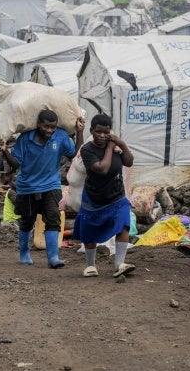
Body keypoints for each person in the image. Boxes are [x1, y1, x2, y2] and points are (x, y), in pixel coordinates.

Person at [2, 110, 85, 268]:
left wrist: (80, 132)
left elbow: (74, 154)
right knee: (27, 221)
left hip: (51, 185)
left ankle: (53, 257)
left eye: (52, 127)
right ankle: (24, 253)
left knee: (53, 219)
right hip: (27, 187)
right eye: (46, 126)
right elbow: (16, 163)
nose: (49, 130)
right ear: (38, 124)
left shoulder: (60, 136)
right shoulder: (25, 138)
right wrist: (4, 150)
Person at [73, 114, 135, 278]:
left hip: (116, 195)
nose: (102, 135)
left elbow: (129, 162)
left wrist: (122, 144)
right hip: (94, 197)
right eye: (98, 132)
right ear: (91, 131)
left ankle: (119, 264)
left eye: (106, 132)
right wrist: (110, 148)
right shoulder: (87, 150)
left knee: (123, 224)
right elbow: (102, 169)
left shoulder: (116, 146)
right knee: (89, 230)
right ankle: (90, 265)